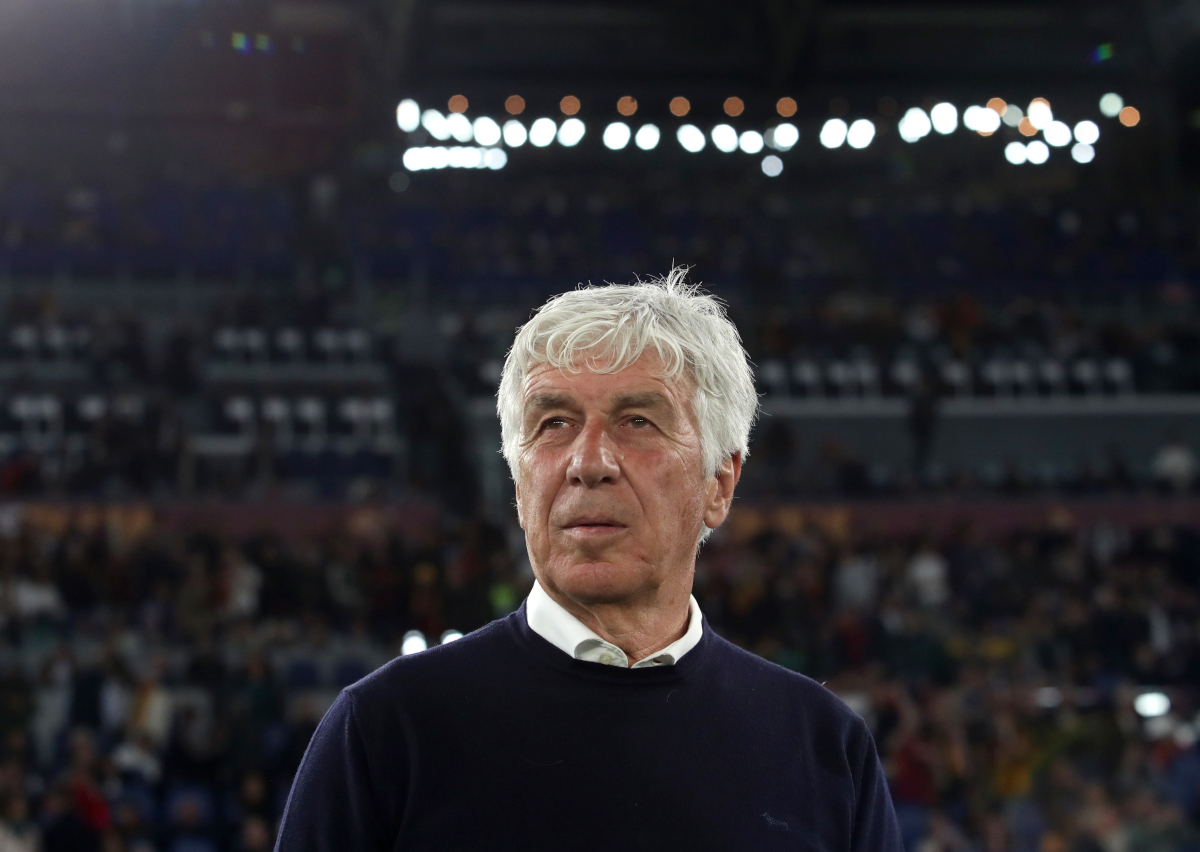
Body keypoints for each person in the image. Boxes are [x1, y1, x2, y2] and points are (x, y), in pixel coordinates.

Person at [275, 269, 903, 850]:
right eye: (553, 423)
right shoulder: (386, 732)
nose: (589, 462)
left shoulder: (821, 745)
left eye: (637, 420)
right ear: (519, 484)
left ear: (719, 483)